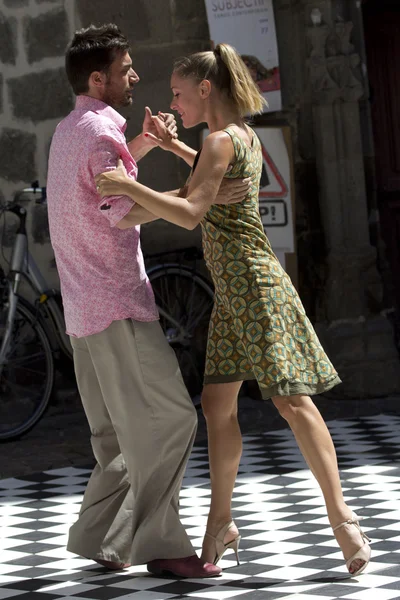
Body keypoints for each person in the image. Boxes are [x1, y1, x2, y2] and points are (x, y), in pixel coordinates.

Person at [95, 42, 372, 578]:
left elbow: (192, 210)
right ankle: (221, 522)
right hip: (235, 293)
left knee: (293, 403)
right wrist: (175, 154)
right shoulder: (230, 137)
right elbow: (206, 180)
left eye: (178, 93)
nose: (172, 102)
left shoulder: (221, 140)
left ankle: (343, 520)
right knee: (217, 403)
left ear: (204, 90)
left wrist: (131, 186)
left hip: (255, 288)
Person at [46, 24, 250, 579]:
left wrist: (139, 148)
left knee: (114, 436)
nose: (135, 76)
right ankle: (162, 546)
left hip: (83, 312)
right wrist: (190, 194)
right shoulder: (99, 137)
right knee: (171, 420)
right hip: (118, 306)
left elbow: (97, 193)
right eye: (126, 69)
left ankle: (98, 537)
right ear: (99, 78)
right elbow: (122, 211)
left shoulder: (71, 130)